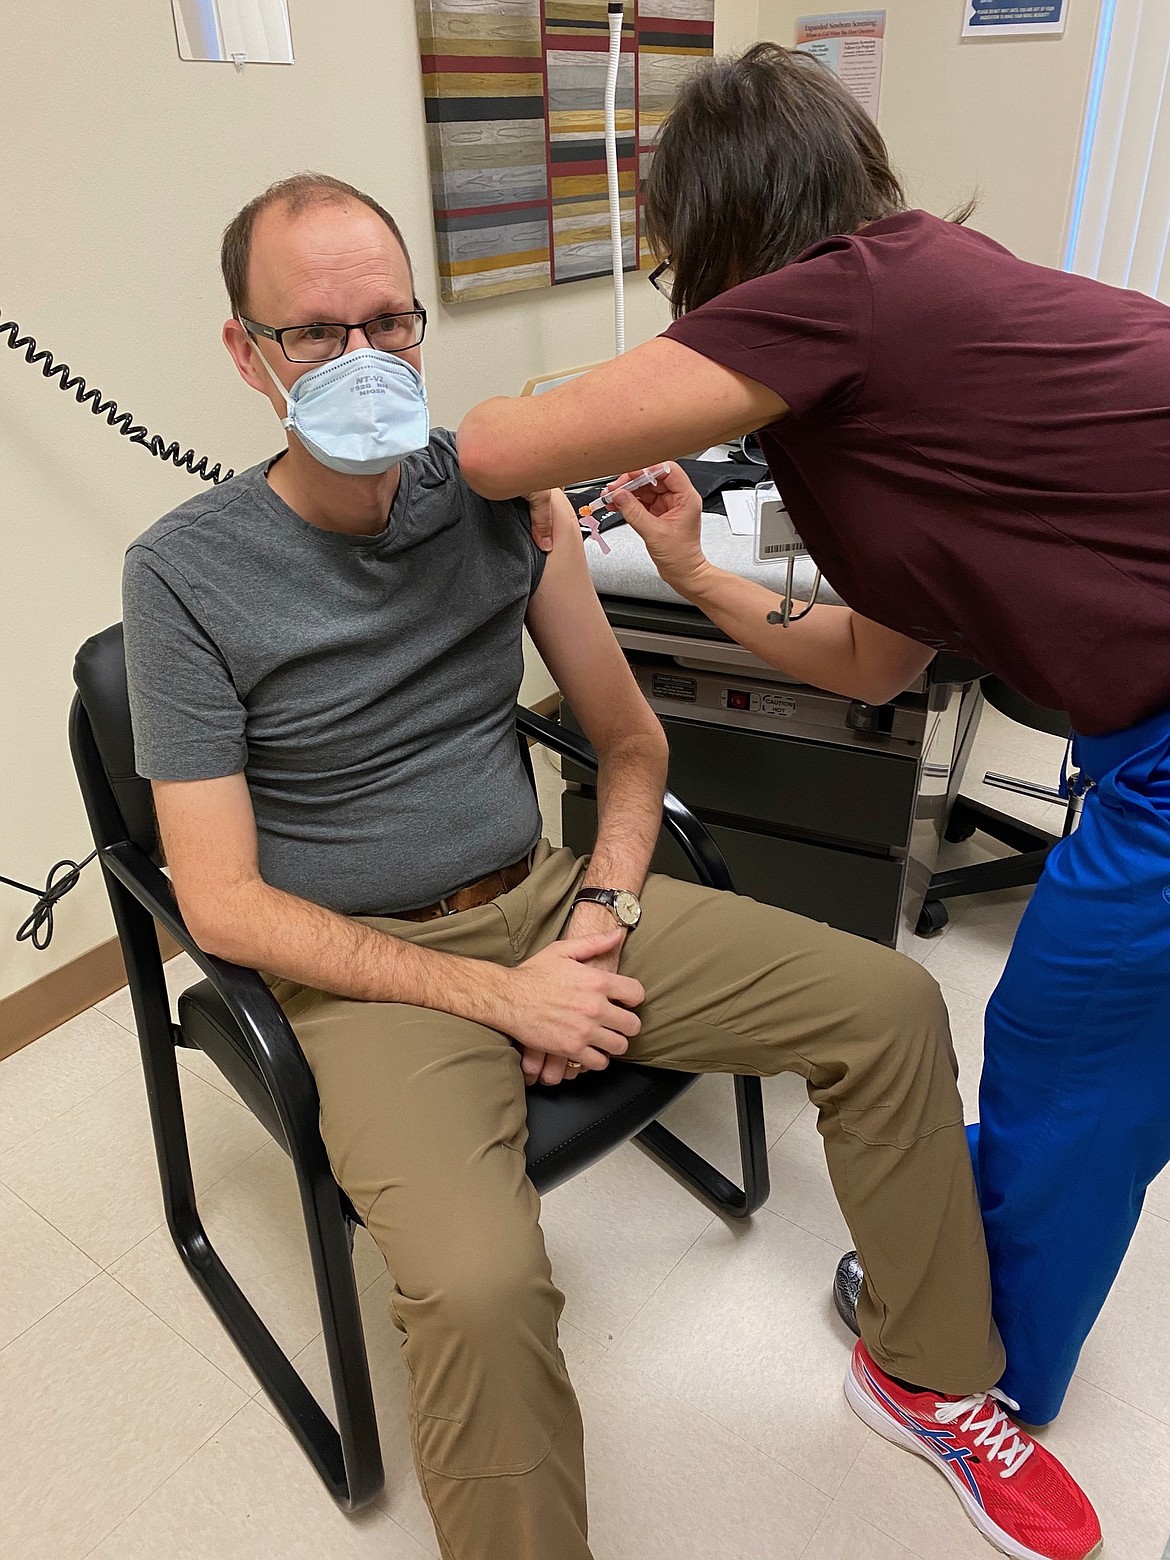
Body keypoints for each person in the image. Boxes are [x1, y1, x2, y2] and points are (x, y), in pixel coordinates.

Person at [121, 172, 1099, 1560]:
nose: (362, 361)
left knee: (887, 1008)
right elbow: (219, 903)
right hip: (362, 971)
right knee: (474, 1285)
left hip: (542, 899)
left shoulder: (500, 498)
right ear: (246, 353)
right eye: (313, 333)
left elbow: (630, 746)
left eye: (388, 325)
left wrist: (597, 910)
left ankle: (925, 1372)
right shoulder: (181, 578)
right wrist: (501, 1004)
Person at [459, 18, 1170, 1515]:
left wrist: (482, 421)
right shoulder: (908, 378)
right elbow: (870, 660)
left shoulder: (845, 292)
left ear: (724, 237)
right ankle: (964, 1247)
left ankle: (948, 1370)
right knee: (1085, 1056)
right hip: (1133, 748)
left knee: (1061, 1064)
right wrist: (685, 567)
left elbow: (496, 448)